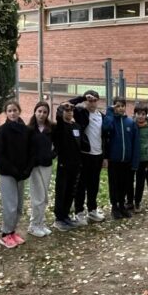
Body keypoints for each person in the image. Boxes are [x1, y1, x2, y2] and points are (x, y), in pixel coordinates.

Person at [0, 100, 37, 248]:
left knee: (18, 206)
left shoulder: (26, 130)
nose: (12, 113)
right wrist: (13, 170)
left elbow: (32, 152)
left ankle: (12, 231)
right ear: (6, 113)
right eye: (9, 111)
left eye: (15, 110)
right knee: (10, 205)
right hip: (8, 174)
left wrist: (27, 170)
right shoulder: (2, 131)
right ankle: (5, 234)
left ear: (19, 111)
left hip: (21, 174)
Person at [67, 90, 106, 222]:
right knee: (81, 185)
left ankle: (92, 210)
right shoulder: (80, 112)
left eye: (94, 100)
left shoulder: (102, 116)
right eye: (90, 100)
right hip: (84, 155)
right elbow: (65, 105)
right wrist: (82, 98)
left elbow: (104, 137)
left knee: (94, 184)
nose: (92, 103)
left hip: (98, 155)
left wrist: (104, 157)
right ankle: (79, 212)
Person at [102, 97, 140, 219]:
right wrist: (109, 111)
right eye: (117, 106)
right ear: (114, 107)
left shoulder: (131, 123)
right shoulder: (111, 121)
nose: (120, 108)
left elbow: (136, 143)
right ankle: (115, 207)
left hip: (127, 161)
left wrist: (135, 162)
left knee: (124, 184)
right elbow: (105, 128)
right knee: (114, 185)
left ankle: (122, 206)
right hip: (114, 161)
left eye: (122, 106)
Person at [51, 102, 83, 230]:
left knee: (71, 191)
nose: (69, 112)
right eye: (66, 110)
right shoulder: (59, 126)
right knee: (62, 191)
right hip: (64, 164)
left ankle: (65, 215)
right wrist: (62, 107)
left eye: (71, 111)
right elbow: (59, 119)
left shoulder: (76, 126)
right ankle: (59, 218)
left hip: (75, 164)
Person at [28, 102, 55, 237]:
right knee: (37, 197)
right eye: (39, 111)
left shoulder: (51, 129)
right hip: (34, 167)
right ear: (35, 112)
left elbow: (57, 145)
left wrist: (52, 155)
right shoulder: (29, 129)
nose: (42, 114)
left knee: (44, 197)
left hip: (47, 165)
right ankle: (33, 225)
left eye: (45, 112)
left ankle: (41, 223)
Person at [130, 102, 148, 211]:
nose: (140, 116)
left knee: (140, 182)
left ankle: (137, 202)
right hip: (131, 158)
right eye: (138, 114)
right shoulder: (131, 125)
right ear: (135, 114)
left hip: (144, 159)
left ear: (146, 115)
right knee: (129, 181)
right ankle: (129, 201)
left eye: (143, 114)